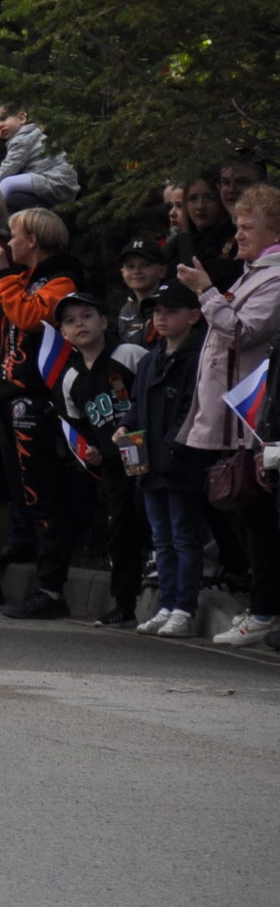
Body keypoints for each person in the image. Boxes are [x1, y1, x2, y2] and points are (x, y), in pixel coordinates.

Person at [0, 206, 85, 620]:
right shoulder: (20, 280)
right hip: (9, 399)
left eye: (14, 236)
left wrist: (5, 275)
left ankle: (50, 590)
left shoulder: (61, 280)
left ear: (33, 239)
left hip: (41, 402)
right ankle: (42, 582)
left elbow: (29, 316)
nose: (7, 244)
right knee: (25, 494)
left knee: (43, 493)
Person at [181, 183, 280, 648]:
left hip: (257, 420)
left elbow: (242, 331)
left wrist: (206, 292)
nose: (236, 235)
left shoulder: (275, 276)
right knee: (239, 507)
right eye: (236, 225)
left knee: (256, 513)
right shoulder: (252, 272)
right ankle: (262, 606)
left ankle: (263, 610)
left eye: (247, 227)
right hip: (236, 418)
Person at [124, 284, 209, 637]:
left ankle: (184, 608)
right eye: (156, 311)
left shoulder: (199, 357)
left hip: (181, 461)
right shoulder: (150, 359)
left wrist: (174, 448)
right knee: (161, 538)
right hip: (148, 461)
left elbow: (194, 409)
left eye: (171, 311)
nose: (161, 318)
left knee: (184, 537)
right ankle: (166, 603)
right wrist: (124, 428)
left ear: (193, 315)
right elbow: (134, 405)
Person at [54, 291, 139, 625]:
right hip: (113, 467)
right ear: (63, 334)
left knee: (162, 524)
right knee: (120, 530)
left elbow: (154, 390)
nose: (80, 324)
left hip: (145, 455)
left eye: (87, 316)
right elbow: (76, 425)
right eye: (70, 321)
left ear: (104, 321)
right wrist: (90, 451)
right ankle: (125, 604)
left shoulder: (129, 355)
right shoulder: (71, 378)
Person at [0, 104, 79, 208]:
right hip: (62, 181)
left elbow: (8, 168)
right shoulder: (32, 134)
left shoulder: (21, 140)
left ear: (21, 118)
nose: (0, 125)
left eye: (3, 119)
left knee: (7, 183)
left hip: (54, 180)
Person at [115, 240, 170, 345]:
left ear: (162, 271)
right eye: (130, 266)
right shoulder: (125, 310)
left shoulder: (172, 305)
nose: (137, 271)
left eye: (146, 265)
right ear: (122, 272)